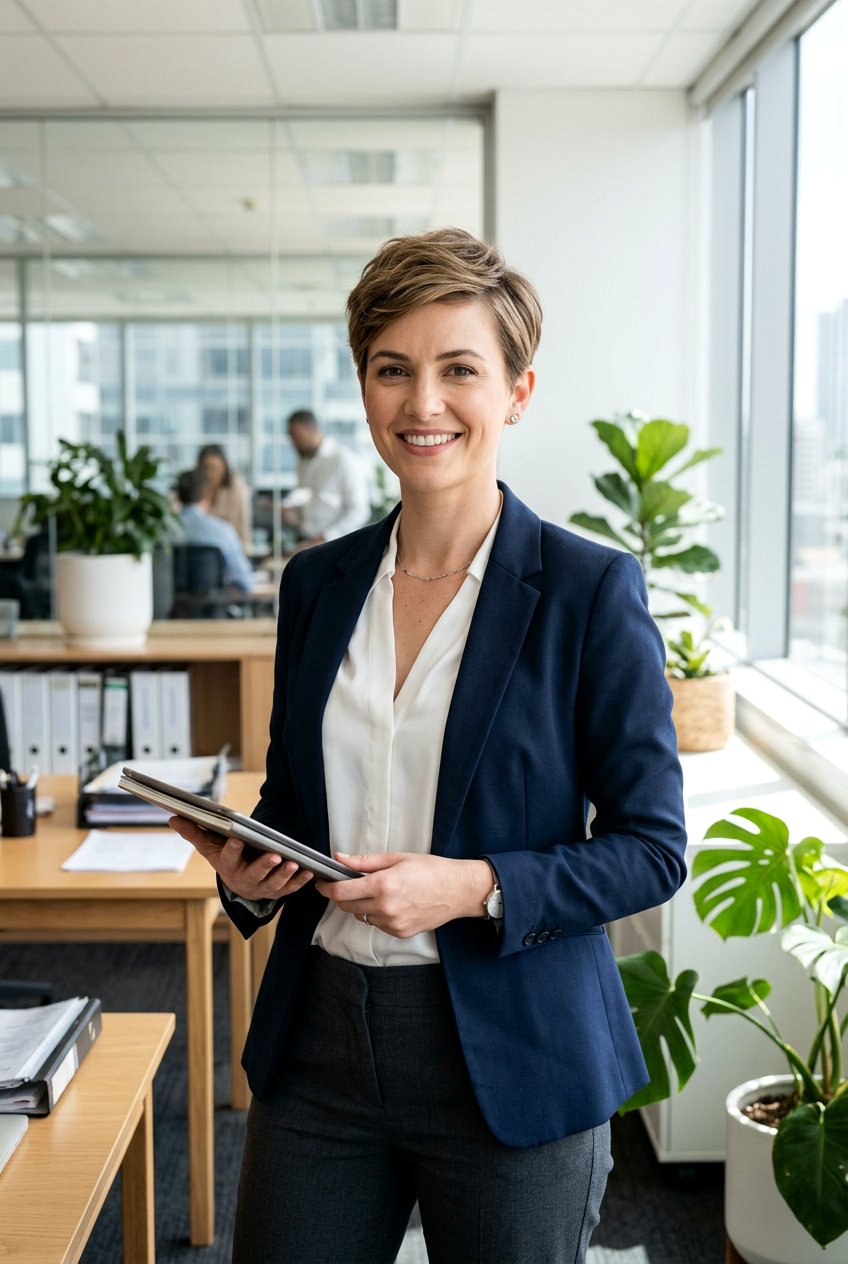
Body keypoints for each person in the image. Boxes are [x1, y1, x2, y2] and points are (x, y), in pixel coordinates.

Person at [169, 228, 687, 1264]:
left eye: (458, 369)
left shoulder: (588, 591)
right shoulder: (319, 584)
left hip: (510, 1044)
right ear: (362, 387)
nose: (422, 404)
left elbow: (650, 847)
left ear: (516, 391)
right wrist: (254, 870)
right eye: (391, 369)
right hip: (319, 1041)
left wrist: (472, 885)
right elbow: (298, 801)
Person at [284, 408, 372, 545]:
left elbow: (359, 511)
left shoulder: (344, 460)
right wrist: (291, 512)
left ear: (312, 429)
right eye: (291, 437)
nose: (293, 443)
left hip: (337, 545)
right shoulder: (302, 463)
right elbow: (308, 503)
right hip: (308, 541)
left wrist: (325, 537)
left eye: (296, 436)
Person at [175, 469, 255, 593]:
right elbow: (245, 582)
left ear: (178, 495)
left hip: (166, 610)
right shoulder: (223, 532)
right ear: (208, 494)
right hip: (212, 609)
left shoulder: (160, 531)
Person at [196, 443, 252, 548]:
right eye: (205, 468)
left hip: (229, 549)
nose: (209, 474)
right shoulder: (195, 489)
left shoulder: (237, 489)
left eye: (213, 468)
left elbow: (243, 528)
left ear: (224, 468)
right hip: (202, 549)